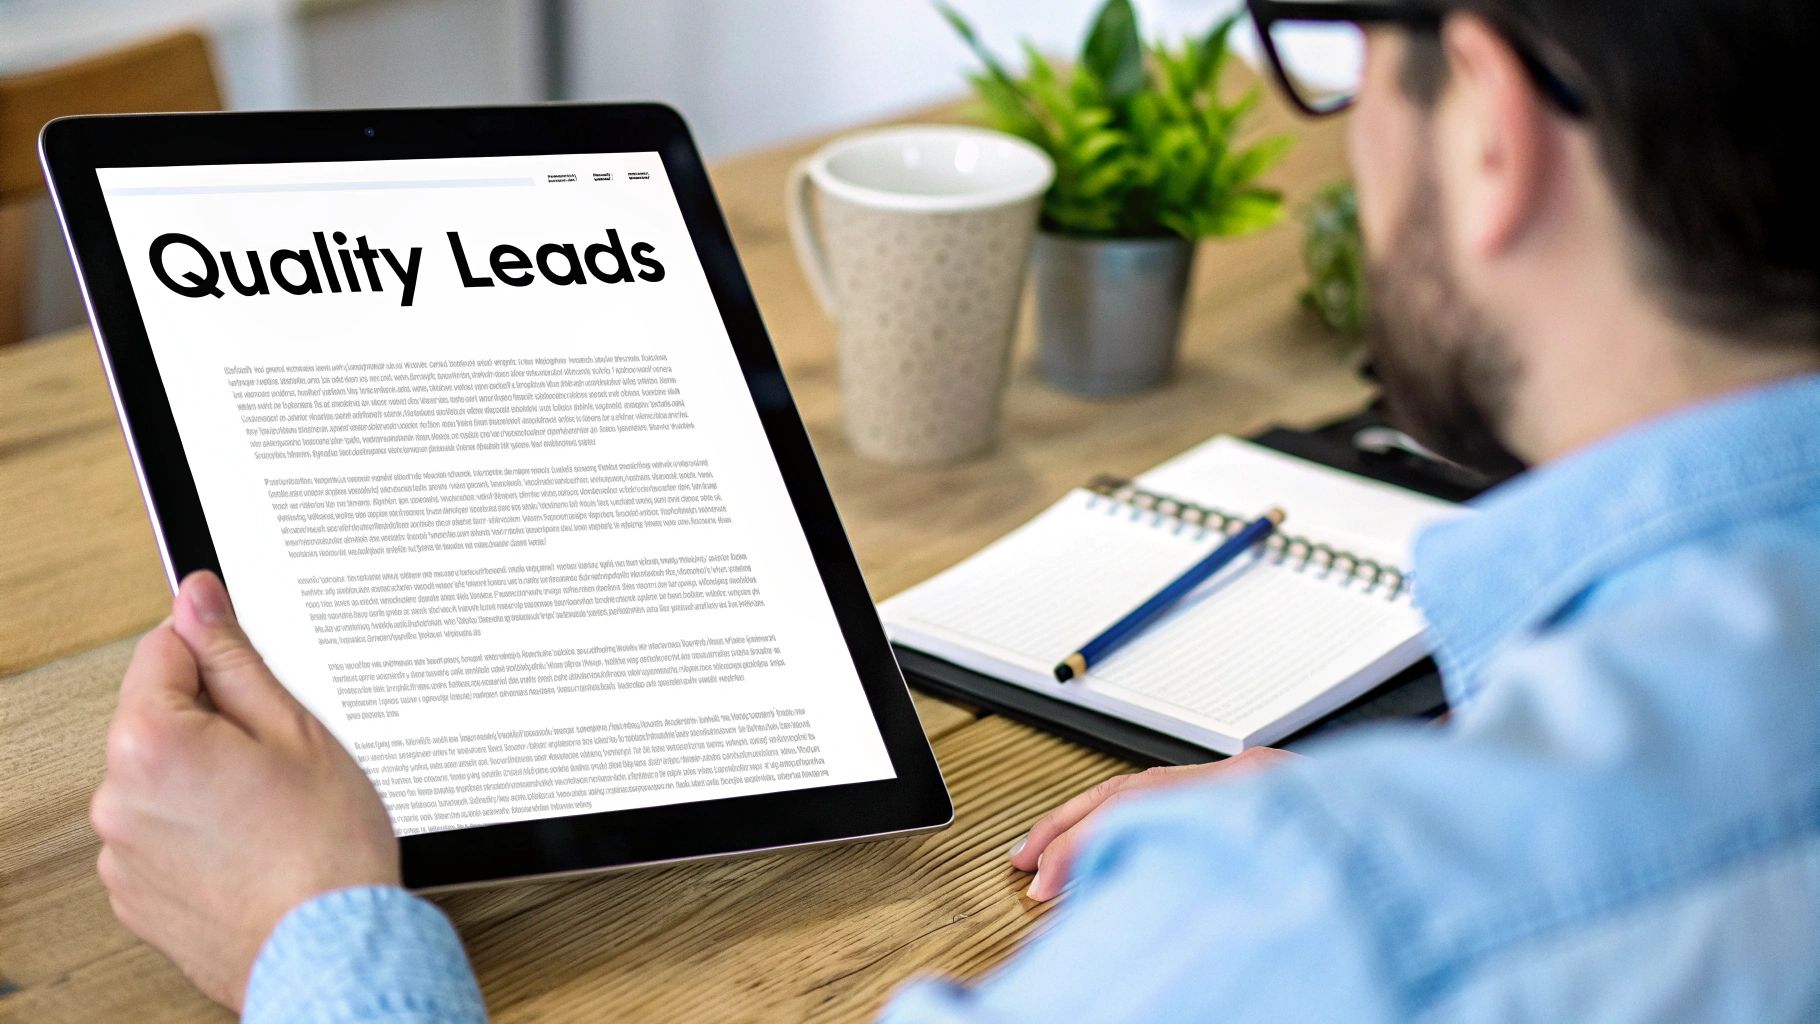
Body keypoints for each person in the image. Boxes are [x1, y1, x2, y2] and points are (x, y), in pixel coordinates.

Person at [89, 0, 1820, 1019]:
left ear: (1489, 128)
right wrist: (1455, 778)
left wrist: (306, 939)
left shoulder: (1321, 929)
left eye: (1348, 59)